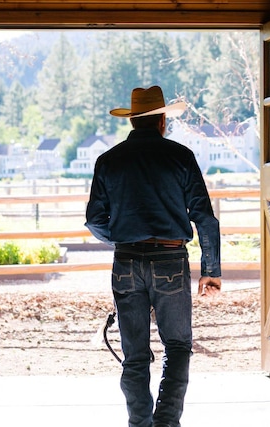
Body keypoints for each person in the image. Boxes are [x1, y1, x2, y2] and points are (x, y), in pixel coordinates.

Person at [85, 85, 222, 427]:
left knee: (134, 357)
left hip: (126, 262)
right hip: (170, 261)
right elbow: (204, 217)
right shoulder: (180, 157)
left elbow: (93, 219)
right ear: (162, 120)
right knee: (176, 347)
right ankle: (166, 422)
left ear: (132, 120)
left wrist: (120, 240)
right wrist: (211, 270)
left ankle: (139, 424)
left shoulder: (108, 161)